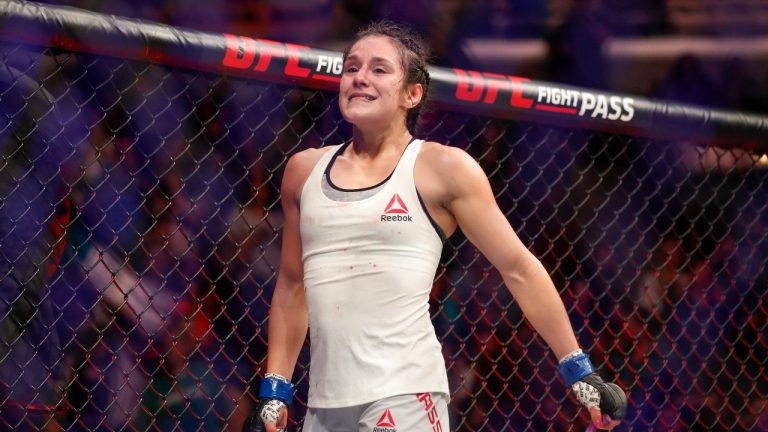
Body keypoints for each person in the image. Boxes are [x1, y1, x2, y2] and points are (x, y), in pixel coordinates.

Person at [243, 20, 627, 432]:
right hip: (325, 401)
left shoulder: (442, 168)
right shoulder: (303, 172)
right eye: (351, 67)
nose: (359, 78)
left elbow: (518, 267)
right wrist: (276, 386)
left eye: (379, 69)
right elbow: (292, 284)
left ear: (413, 93)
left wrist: (578, 369)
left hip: (407, 392)